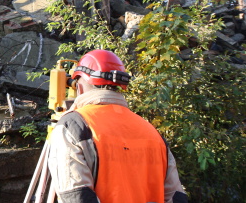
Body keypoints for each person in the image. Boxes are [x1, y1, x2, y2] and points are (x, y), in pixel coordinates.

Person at [47, 49, 188, 203]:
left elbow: (75, 195)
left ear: (79, 86)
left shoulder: (74, 126)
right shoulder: (152, 132)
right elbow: (177, 197)